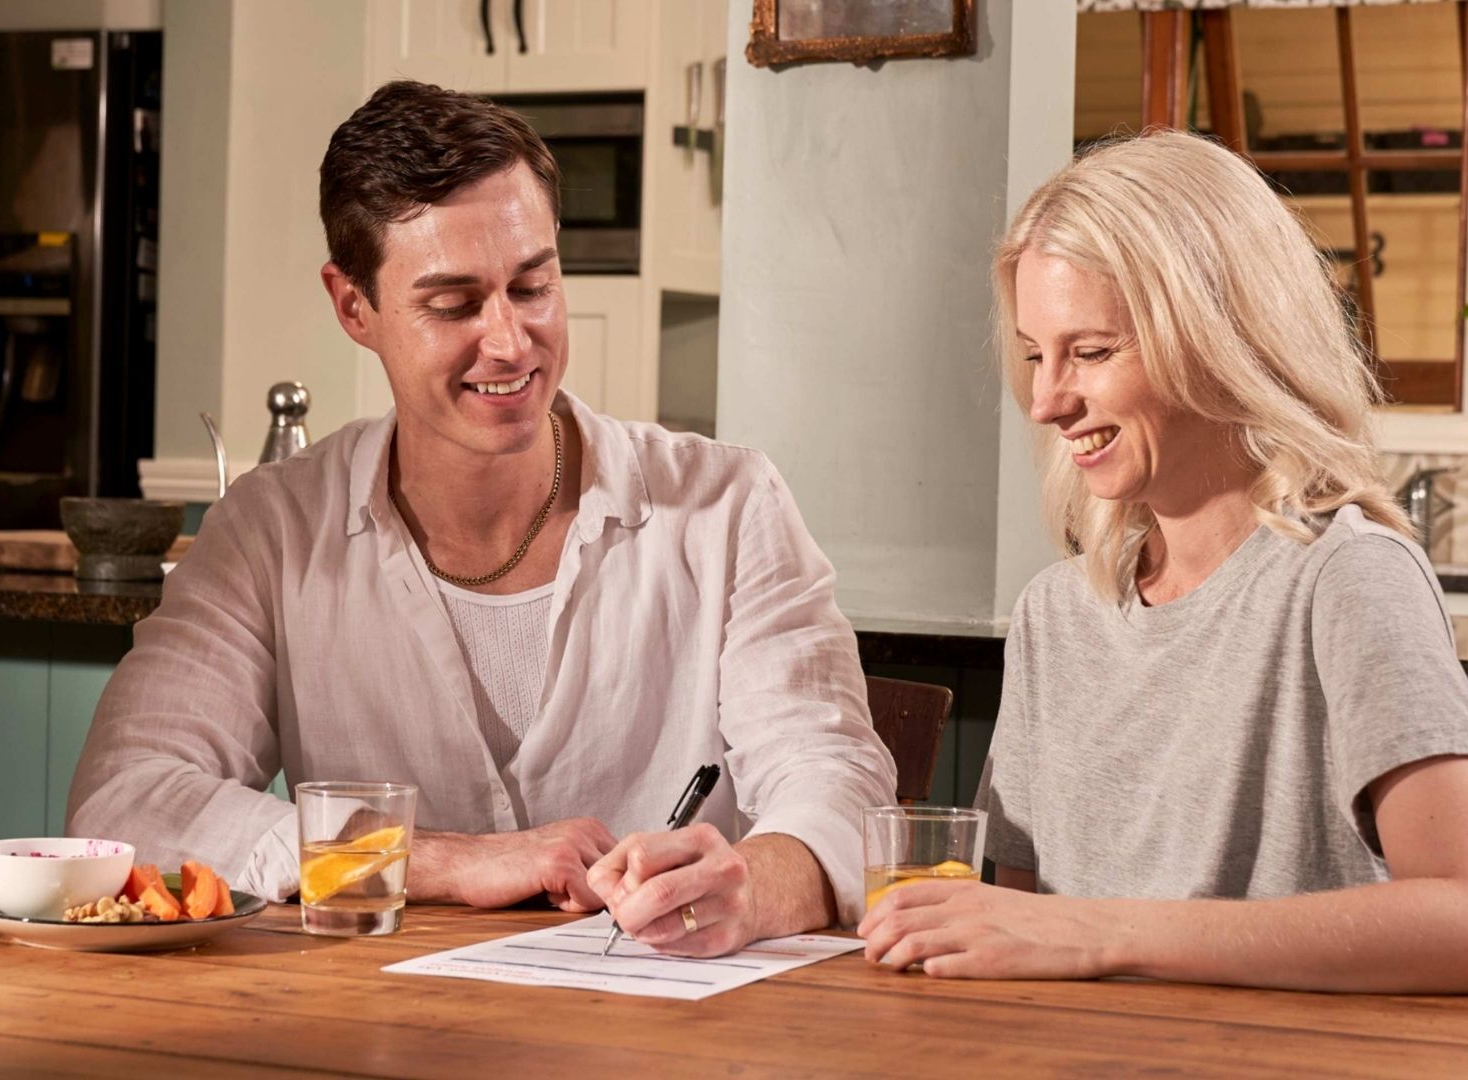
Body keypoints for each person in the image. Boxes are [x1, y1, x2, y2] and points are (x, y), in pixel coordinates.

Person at [66, 81, 895, 956]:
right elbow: (126, 796)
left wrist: (754, 887)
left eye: (532, 286)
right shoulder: (270, 533)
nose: (509, 341)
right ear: (354, 306)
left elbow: (837, 786)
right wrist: (433, 860)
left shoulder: (727, 508)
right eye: (454, 305)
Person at [859, 130, 1468, 994]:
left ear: (1223, 337)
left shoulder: (1345, 579)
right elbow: (1022, 938)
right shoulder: (1056, 614)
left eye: (1093, 352)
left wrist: (1098, 931)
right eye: (1037, 354)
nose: (1045, 401)